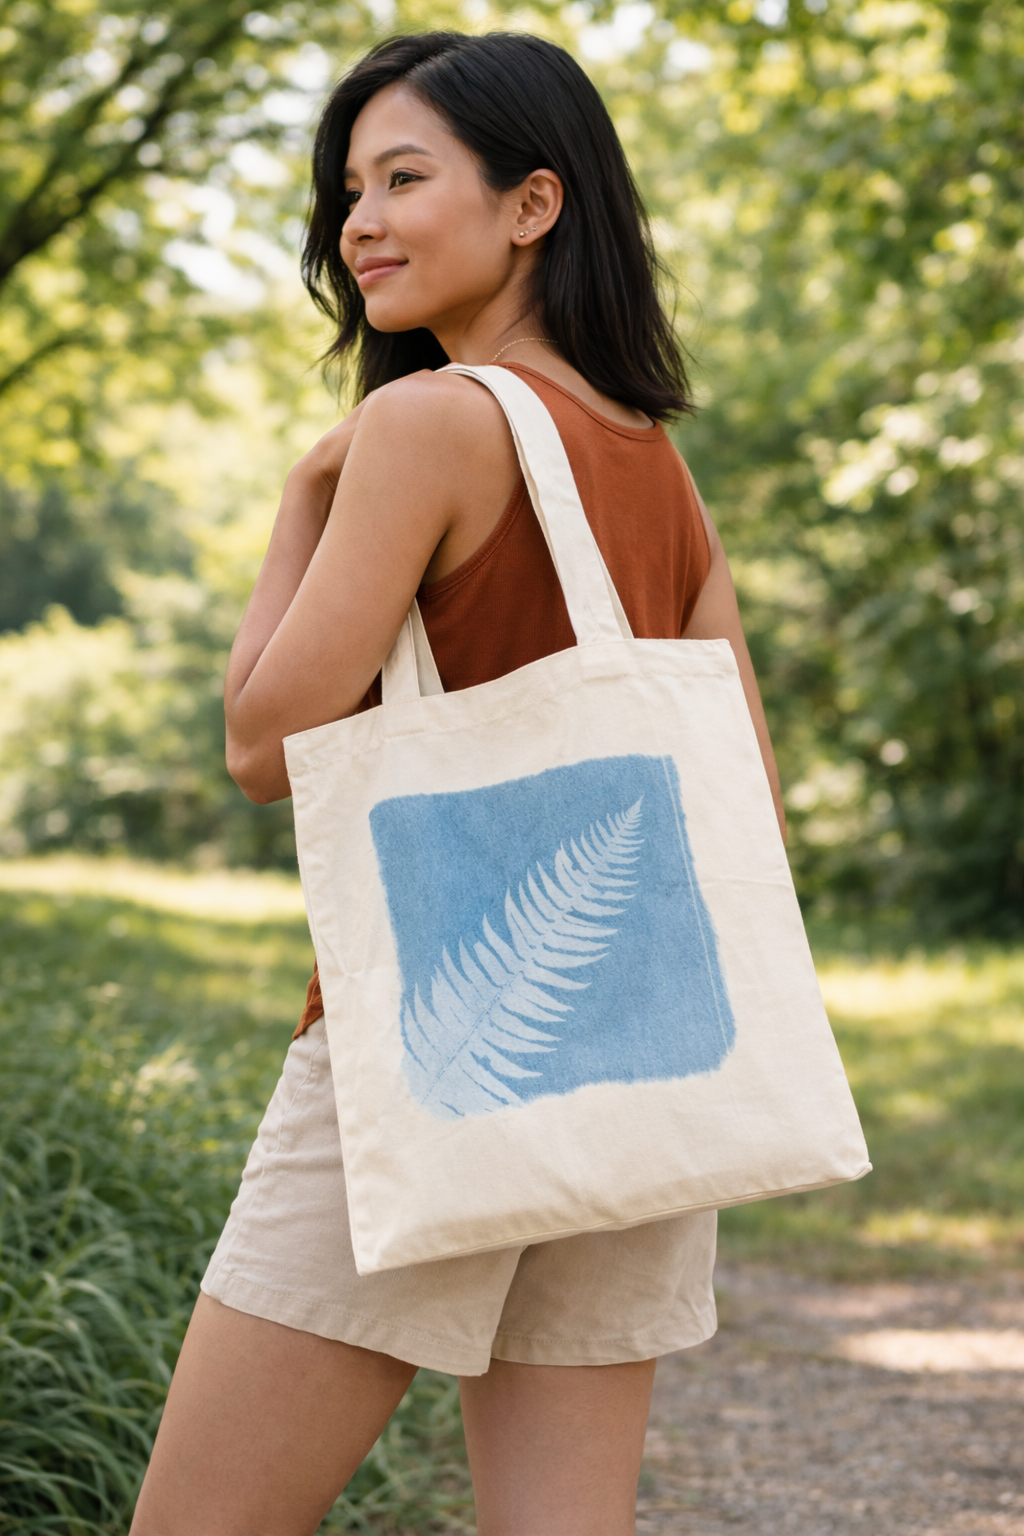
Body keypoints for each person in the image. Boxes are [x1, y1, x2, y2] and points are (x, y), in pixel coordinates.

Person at [130, 30, 784, 1536]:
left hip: (439, 1037)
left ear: (533, 203)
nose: (357, 220)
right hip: (644, 1053)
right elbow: (739, 790)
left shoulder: (427, 423)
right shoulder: (654, 459)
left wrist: (310, 491)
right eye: (347, 187)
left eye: (404, 177)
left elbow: (257, 747)